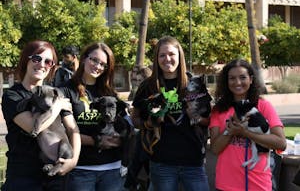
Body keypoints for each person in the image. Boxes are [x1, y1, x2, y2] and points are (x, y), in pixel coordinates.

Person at [131, 36, 210, 191]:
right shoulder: (148, 86)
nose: (167, 59)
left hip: (193, 161)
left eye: (172, 54)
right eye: (162, 55)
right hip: (161, 162)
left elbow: (210, 120)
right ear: (156, 58)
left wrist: (197, 118)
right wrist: (149, 123)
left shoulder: (194, 83)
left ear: (179, 56)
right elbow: (135, 119)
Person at [1, 40, 81, 191]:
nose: (42, 64)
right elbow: (33, 127)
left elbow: (73, 129)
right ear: (26, 60)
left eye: (48, 61)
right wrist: (57, 106)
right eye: (36, 59)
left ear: (52, 67)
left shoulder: (57, 92)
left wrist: (74, 160)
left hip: (56, 177)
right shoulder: (13, 95)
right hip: (23, 178)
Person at [60, 42, 131, 191]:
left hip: (113, 169)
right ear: (84, 59)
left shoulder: (110, 93)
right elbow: (61, 131)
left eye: (103, 64)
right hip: (80, 169)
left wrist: (121, 138)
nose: (97, 66)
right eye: (94, 60)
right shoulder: (66, 90)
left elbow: (124, 124)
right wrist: (95, 141)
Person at [209, 59, 286, 191]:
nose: (238, 82)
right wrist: (231, 131)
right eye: (232, 78)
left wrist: (246, 133)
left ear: (251, 79)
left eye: (242, 77)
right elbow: (215, 149)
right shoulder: (219, 110)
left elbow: (281, 143)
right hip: (227, 185)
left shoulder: (263, 106)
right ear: (226, 82)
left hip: (259, 185)